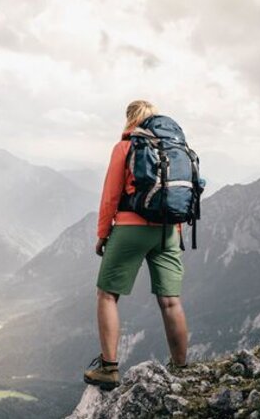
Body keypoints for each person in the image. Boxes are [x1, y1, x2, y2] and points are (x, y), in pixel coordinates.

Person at [83, 100, 189, 390]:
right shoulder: (175, 147)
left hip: (131, 227)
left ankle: (109, 368)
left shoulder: (126, 146)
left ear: (131, 120)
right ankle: (181, 367)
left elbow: (110, 196)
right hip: (169, 229)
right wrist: (175, 232)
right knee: (170, 301)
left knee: (107, 295)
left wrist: (103, 234)